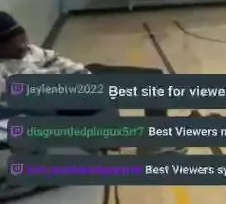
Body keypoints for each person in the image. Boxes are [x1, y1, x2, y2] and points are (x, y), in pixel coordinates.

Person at [0, 11, 184, 152]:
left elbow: (57, 61)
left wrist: (82, 74)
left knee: (153, 78)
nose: (22, 46)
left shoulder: (29, 51)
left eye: (23, 38)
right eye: (13, 43)